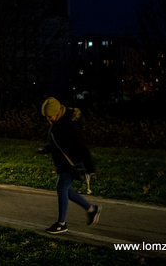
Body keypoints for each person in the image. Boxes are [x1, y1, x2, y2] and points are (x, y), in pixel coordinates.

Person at [41, 97, 101, 234]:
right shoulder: (59, 122)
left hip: (72, 163)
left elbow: (82, 146)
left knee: (62, 188)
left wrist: (90, 167)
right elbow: (60, 143)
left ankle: (61, 224)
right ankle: (92, 209)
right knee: (66, 190)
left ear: (56, 112)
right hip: (64, 162)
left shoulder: (69, 124)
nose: (48, 119)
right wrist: (46, 149)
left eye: (49, 116)